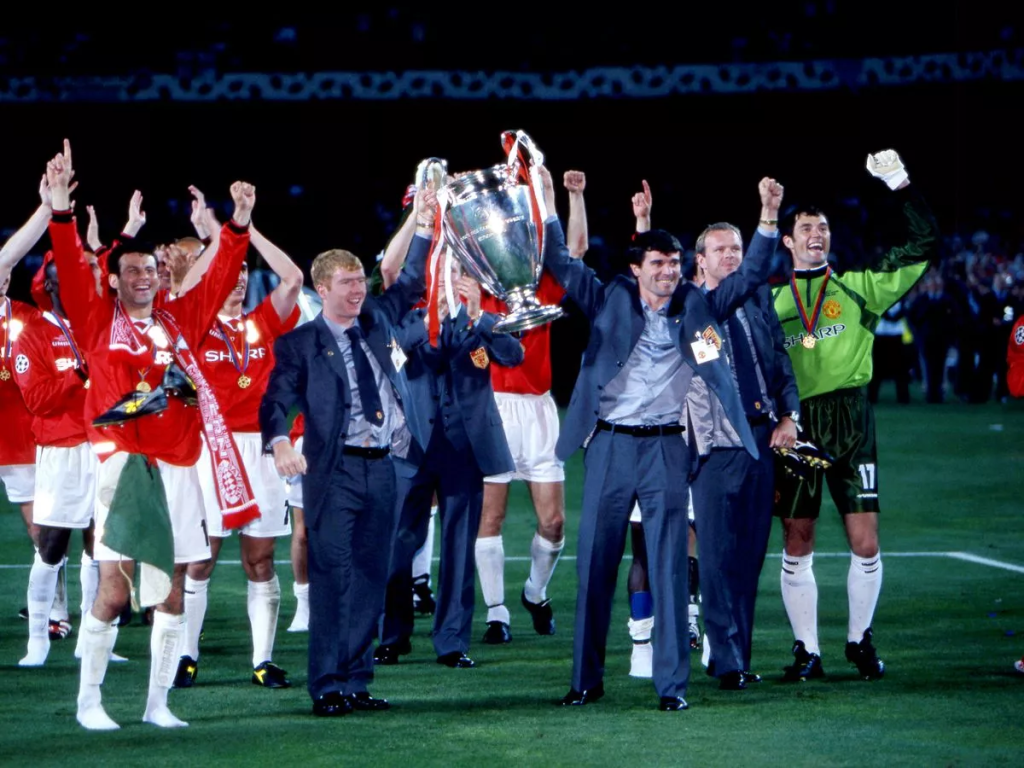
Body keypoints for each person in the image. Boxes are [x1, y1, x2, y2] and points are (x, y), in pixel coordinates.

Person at [540, 164, 780, 711]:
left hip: (669, 448)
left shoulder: (698, 304)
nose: (670, 273)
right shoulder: (608, 299)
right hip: (609, 445)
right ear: (636, 268)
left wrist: (767, 218)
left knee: (672, 565)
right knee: (596, 563)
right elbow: (559, 259)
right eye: (659, 264)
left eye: (675, 264)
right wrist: (551, 200)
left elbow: (748, 277)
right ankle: (585, 681)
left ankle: (671, 687)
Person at [47, 140, 257, 730]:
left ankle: (157, 703)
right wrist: (61, 212)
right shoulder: (97, 322)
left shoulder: (179, 319)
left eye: (149, 270)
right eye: (131, 271)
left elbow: (214, 283)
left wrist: (235, 225)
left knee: (171, 593)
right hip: (123, 465)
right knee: (114, 593)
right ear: (114, 281)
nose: (143, 277)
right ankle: (89, 701)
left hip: (179, 468)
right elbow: (70, 265)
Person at [259, 190, 434, 717]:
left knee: (371, 577)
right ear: (322, 288)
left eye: (361, 281)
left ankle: (358, 680)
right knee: (334, 578)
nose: (359, 290)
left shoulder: (378, 320)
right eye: (348, 283)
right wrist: (282, 440)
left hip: (383, 470)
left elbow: (407, 279)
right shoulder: (301, 342)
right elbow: (275, 401)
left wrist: (422, 226)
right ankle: (327, 686)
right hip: (333, 473)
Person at [771, 149, 939, 681]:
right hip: (796, 424)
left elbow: (923, 245)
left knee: (865, 541)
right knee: (798, 539)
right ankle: (807, 651)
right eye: (806, 228)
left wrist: (901, 184)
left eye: (822, 227)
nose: (816, 235)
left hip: (852, 419)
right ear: (788, 241)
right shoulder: (769, 300)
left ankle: (859, 641)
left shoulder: (860, 289)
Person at [376, 255, 524, 669]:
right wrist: (429, 323)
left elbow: (514, 356)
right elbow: (390, 356)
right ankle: (392, 635)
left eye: (455, 274)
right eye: (442, 272)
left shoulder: (485, 320)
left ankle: (452, 640)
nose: (448, 281)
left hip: (464, 449)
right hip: (412, 448)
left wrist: (477, 316)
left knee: (459, 546)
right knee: (397, 545)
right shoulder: (409, 320)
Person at [175, 224, 303, 689]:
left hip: (262, 451)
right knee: (200, 559)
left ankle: (263, 660)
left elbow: (292, 278)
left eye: (245, 271)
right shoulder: (196, 326)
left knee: (260, 560)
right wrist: (222, 243)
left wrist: (251, 232)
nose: (240, 279)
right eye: (233, 272)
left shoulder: (262, 323)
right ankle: (186, 656)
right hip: (213, 450)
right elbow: (188, 288)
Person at [474, 169, 587, 645]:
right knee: (490, 517)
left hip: (539, 408)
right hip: (493, 408)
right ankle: (496, 611)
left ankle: (535, 593)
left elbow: (574, 251)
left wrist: (570, 195)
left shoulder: (538, 285)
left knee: (554, 522)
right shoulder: (476, 283)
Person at [688, 219, 797, 690]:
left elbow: (781, 362)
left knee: (750, 556)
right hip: (715, 448)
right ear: (701, 261)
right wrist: (768, 219)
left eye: (736, 249)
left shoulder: (758, 301)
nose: (730, 256)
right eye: (721, 250)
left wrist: (790, 415)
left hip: (761, 441)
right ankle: (727, 658)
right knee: (716, 557)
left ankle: (736, 657)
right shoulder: (693, 308)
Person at [14, 250, 100, 666]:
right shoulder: (32, 334)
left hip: (103, 447)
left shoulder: (98, 326)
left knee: (101, 545)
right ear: (50, 286)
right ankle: (37, 641)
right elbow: (37, 400)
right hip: (62, 451)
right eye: (68, 277)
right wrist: (80, 373)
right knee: (50, 546)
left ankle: (92, 640)